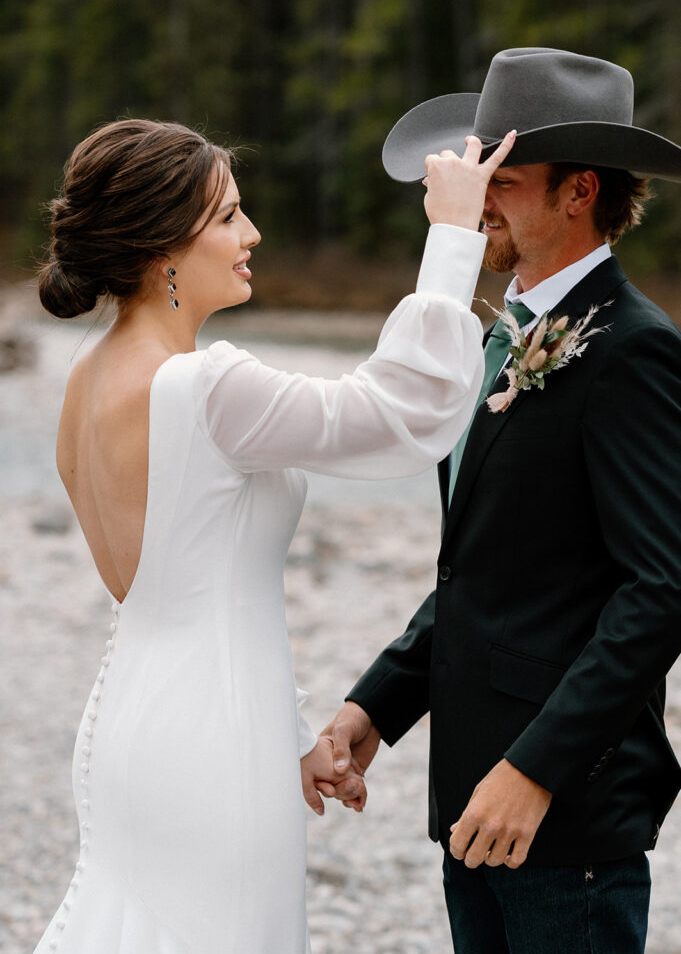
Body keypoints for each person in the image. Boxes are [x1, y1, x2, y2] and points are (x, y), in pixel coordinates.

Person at [31, 116, 515, 954]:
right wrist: (450, 236)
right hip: (210, 740)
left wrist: (293, 737)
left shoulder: (87, 376)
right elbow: (403, 414)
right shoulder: (207, 388)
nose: (251, 234)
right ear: (160, 248)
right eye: (226, 216)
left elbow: (190, 581)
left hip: (139, 721)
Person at [322, 47, 681, 953]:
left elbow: (662, 590)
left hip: (563, 816)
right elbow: (481, 568)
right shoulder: (497, 338)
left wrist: (534, 770)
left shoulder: (633, 350)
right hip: (472, 803)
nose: (476, 198)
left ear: (578, 191)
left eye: (504, 178)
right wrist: (375, 706)